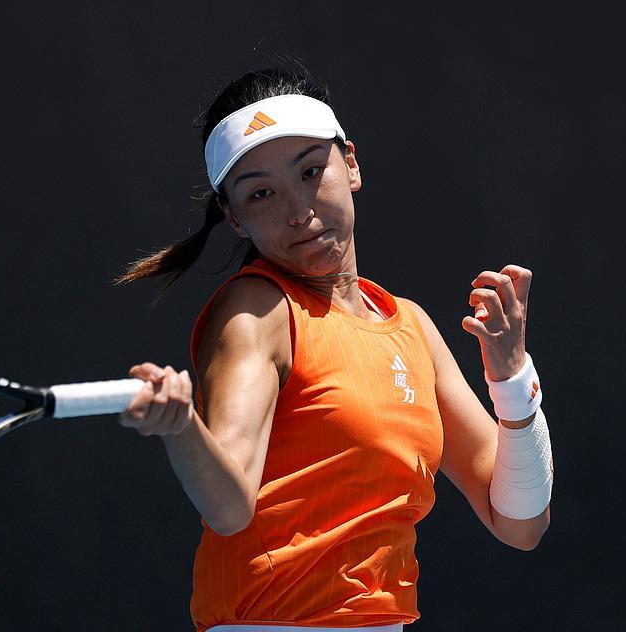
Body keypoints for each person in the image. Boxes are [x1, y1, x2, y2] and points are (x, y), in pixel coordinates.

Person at [115, 68, 553, 632]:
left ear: (351, 164)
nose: (298, 210)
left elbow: (520, 523)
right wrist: (181, 429)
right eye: (262, 193)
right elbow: (228, 507)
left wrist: (513, 379)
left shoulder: (411, 326)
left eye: (310, 171)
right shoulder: (256, 313)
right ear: (234, 217)